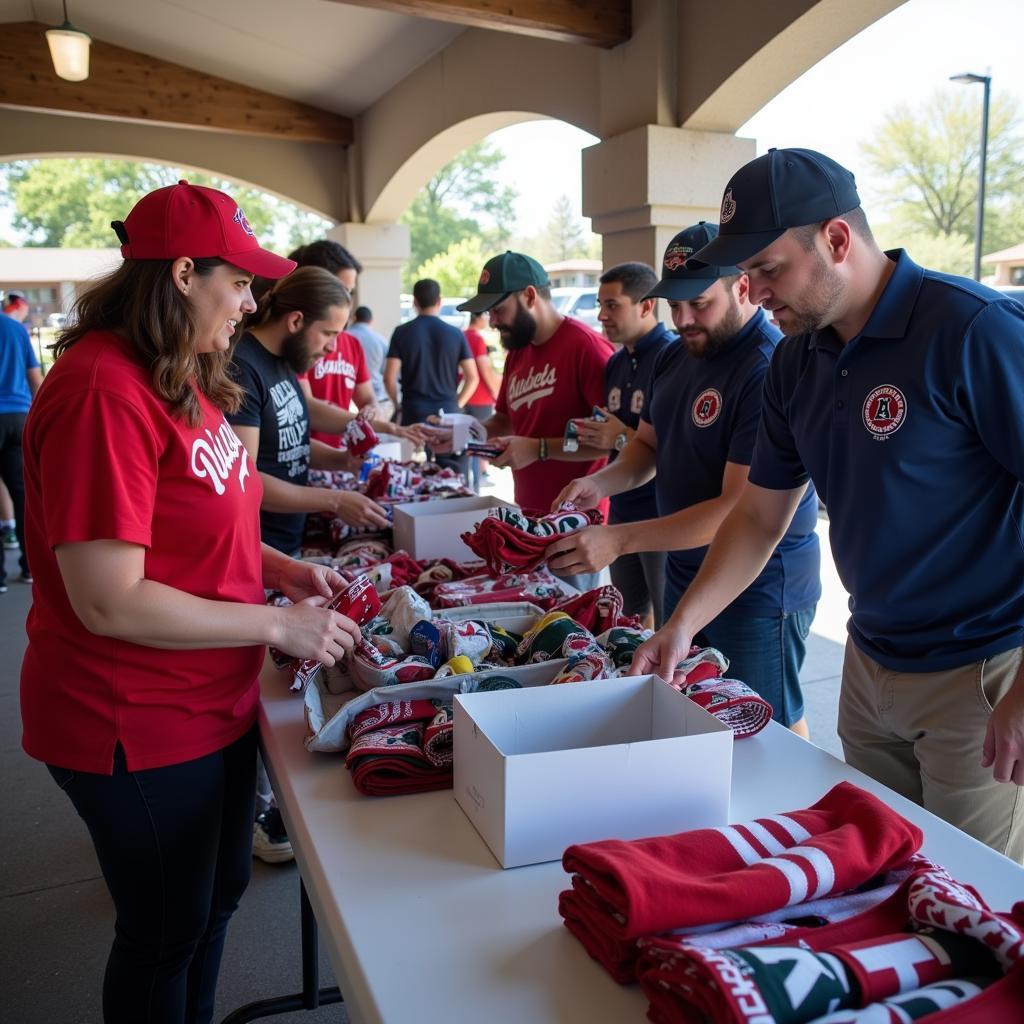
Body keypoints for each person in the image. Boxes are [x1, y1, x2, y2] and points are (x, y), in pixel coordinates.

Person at [19, 181, 362, 1023]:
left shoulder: (176, 374)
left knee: (211, 907)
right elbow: (108, 599)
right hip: (132, 717)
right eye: (238, 282)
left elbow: (200, 518)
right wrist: (280, 622)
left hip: (209, 699)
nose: (249, 304)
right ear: (180, 274)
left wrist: (278, 569)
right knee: (164, 933)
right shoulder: (103, 390)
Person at [632, 148, 1024, 860]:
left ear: (837, 240)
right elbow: (758, 515)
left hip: (982, 672)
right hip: (870, 667)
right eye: (745, 272)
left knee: (976, 899)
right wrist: (683, 625)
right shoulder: (794, 360)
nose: (753, 288)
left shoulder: (971, 329)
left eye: (768, 268)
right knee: (883, 875)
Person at [550, 226, 820, 733]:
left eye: (698, 303)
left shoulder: (764, 368)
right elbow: (647, 448)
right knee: (694, 711)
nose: (684, 320)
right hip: (686, 573)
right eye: (674, 306)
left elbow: (735, 511)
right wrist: (601, 484)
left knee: (769, 726)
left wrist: (621, 538)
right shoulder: (675, 355)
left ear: (742, 287)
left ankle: (786, 811)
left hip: (759, 587)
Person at [457, 251, 614, 591]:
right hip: (526, 516)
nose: (493, 321)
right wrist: (462, 433)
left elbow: (612, 442)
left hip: (574, 523)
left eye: (499, 310)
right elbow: (505, 420)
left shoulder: (585, 347)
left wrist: (539, 449)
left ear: (529, 296)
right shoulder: (518, 350)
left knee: (569, 628)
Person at [547, 262, 673, 628]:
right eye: (600, 304)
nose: (601, 315)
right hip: (620, 506)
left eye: (613, 305)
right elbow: (608, 439)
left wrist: (619, 436)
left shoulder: (673, 358)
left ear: (646, 306)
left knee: (669, 623)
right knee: (626, 617)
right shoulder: (617, 362)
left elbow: (677, 452)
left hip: (661, 514)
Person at [267, 240, 426, 450]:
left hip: (335, 456)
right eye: (342, 289)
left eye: (350, 292)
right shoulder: (292, 344)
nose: (347, 300)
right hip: (301, 457)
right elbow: (305, 406)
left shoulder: (352, 343)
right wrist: (384, 427)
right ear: (315, 282)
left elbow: (367, 398)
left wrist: (372, 411)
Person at [385, 278, 478, 475]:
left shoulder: (402, 333)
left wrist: (397, 404)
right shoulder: (455, 334)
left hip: (413, 413)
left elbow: (389, 377)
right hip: (449, 414)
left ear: (414, 302)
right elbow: (472, 377)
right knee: (454, 476)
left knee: (413, 476)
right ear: (440, 301)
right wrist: (457, 404)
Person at [0, 289, 41, 592]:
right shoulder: (16, 329)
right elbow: (34, 377)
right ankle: (30, 567)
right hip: (19, 416)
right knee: (22, 490)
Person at [463, 310, 502, 492]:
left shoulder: (461, 335)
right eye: (486, 315)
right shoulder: (477, 339)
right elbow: (484, 370)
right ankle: (477, 483)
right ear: (478, 317)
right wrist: (496, 394)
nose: (489, 319)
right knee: (478, 444)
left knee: (465, 443)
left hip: (465, 398)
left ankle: (470, 482)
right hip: (480, 398)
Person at [347, 305, 393, 420]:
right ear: (371, 320)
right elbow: (386, 371)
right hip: (376, 398)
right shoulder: (380, 340)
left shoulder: (344, 338)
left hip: (348, 399)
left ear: (354, 318)